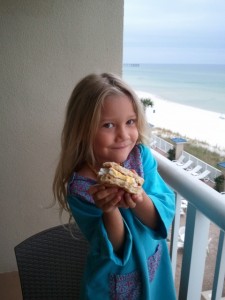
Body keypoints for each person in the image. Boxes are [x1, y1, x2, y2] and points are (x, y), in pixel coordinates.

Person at [53, 73, 176, 299]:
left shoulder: (142, 158)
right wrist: (109, 209)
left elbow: (163, 213)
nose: (123, 135)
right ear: (82, 130)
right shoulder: (81, 189)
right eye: (108, 125)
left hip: (154, 269)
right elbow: (114, 246)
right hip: (113, 284)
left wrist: (139, 198)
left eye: (130, 122)